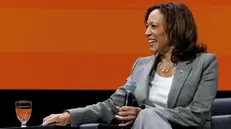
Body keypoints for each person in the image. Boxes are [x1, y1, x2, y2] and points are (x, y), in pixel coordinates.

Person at [42, 2, 218, 129]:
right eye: (146, 26)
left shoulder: (204, 63)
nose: (146, 32)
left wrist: (145, 114)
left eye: (153, 26)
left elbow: (198, 114)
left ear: (174, 30)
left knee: (147, 115)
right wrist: (69, 116)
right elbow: (112, 106)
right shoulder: (142, 65)